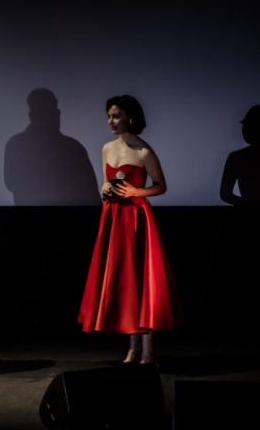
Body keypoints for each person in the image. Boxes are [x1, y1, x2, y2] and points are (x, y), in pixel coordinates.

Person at [77, 95, 184, 364]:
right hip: (112, 218)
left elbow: (161, 186)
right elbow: (106, 183)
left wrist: (137, 191)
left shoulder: (144, 151)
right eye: (108, 116)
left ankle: (148, 351)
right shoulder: (106, 148)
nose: (110, 121)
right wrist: (104, 188)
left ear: (130, 117)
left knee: (139, 280)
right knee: (123, 281)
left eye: (116, 116)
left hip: (136, 219)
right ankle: (133, 347)